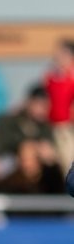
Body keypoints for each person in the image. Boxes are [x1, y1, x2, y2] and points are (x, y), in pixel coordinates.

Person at [45, 40, 74, 169]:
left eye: (62, 53)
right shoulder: (51, 77)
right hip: (52, 127)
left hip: (68, 128)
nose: (57, 56)